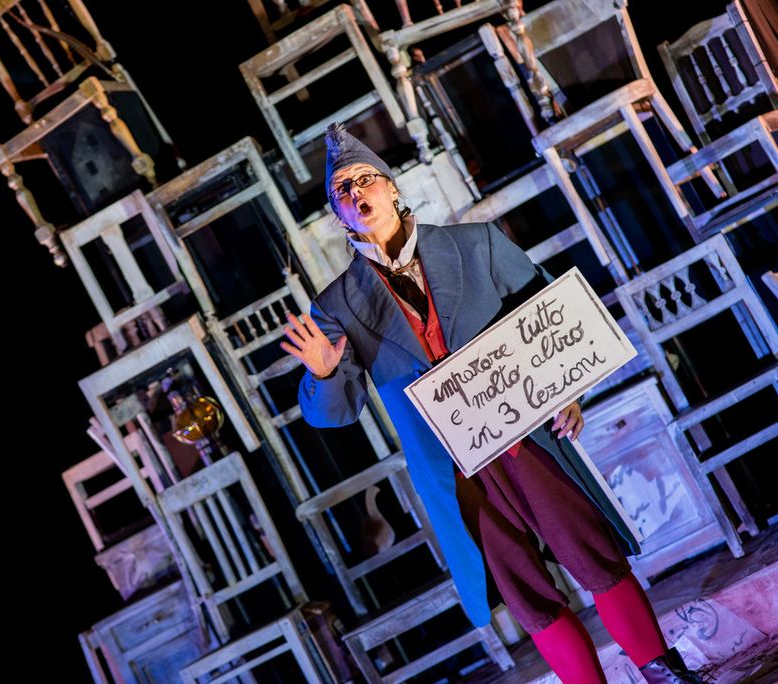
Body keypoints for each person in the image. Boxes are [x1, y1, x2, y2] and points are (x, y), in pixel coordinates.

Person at [281, 123, 704, 684]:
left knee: (590, 552)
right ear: (339, 216)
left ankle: (662, 671)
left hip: (525, 436)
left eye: (365, 179)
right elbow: (334, 413)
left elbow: (552, 312)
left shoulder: (473, 244)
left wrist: (568, 390)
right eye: (342, 190)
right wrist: (325, 374)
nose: (356, 192)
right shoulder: (336, 305)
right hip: (457, 471)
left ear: (391, 188)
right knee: (526, 593)